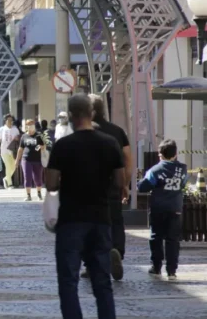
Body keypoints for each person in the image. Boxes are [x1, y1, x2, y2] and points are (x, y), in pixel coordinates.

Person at [45, 94, 124, 319]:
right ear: (92, 114)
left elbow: (50, 184)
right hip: (101, 218)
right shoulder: (110, 143)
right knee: (102, 282)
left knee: (68, 281)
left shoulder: (63, 145)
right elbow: (120, 182)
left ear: (70, 116)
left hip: (71, 220)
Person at [86, 94, 133, 281]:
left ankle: (92, 263)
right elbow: (128, 158)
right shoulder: (117, 131)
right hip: (113, 184)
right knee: (115, 220)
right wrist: (126, 184)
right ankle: (117, 251)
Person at [138, 139, 186, 280]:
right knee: (173, 240)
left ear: (160, 154)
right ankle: (172, 270)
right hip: (175, 208)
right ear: (175, 153)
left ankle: (156, 267)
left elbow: (143, 186)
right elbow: (183, 184)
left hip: (158, 208)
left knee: (156, 237)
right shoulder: (182, 169)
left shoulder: (155, 170)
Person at [15, 119, 45, 201]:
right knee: (27, 177)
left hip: (37, 160)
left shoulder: (38, 136)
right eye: (28, 125)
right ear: (26, 127)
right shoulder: (24, 136)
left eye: (31, 124)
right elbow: (20, 149)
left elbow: (43, 146)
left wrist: (37, 148)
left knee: (37, 178)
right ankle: (28, 195)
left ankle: (39, 193)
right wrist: (17, 160)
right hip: (26, 159)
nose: (30, 126)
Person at [0, 114, 20, 189]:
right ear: (5, 121)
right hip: (4, 150)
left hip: (13, 151)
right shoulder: (2, 129)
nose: (10, 122)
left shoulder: (15, 129)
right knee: (8, 166)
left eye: (11, 120)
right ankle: (9, 184)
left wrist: (17, 138)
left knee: (14, 167)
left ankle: (5, 178)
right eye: (8, 120)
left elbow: (19, 138)